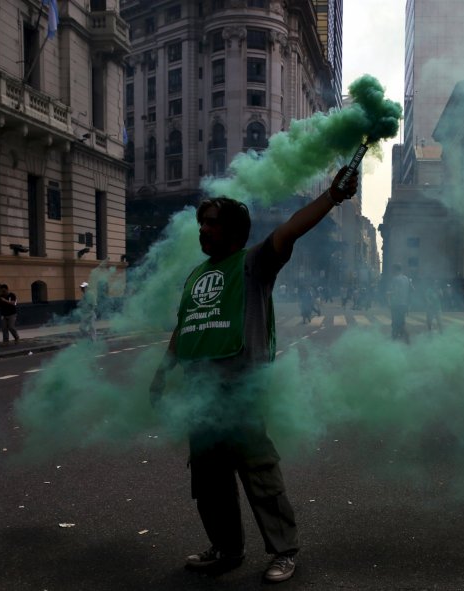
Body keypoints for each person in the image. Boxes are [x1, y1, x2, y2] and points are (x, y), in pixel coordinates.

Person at [149, 166, 358, 584]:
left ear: (234, 232)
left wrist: (333, 196)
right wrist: (163, 372)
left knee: (260, 475)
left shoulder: (254, 264)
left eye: (211, 223)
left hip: (241, 390)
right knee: (209, 482)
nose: (202, 230)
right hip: (200, 394)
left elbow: (289, 230)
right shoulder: (196, 276)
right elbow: (186, 325)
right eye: (201, 223)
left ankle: (283, 551)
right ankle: (227, 550)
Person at [388, 264, 414, 341]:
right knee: (401, 322)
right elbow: (413, 290)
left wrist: (389, 293)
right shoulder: (406, 278)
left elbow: (395, 291)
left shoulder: (395, 279)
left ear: (396, 270)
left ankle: (402, 339)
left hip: (396, 304)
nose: (392, 271)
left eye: (393, 270)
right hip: (404, 304)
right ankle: (401, 339)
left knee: (395, 324)